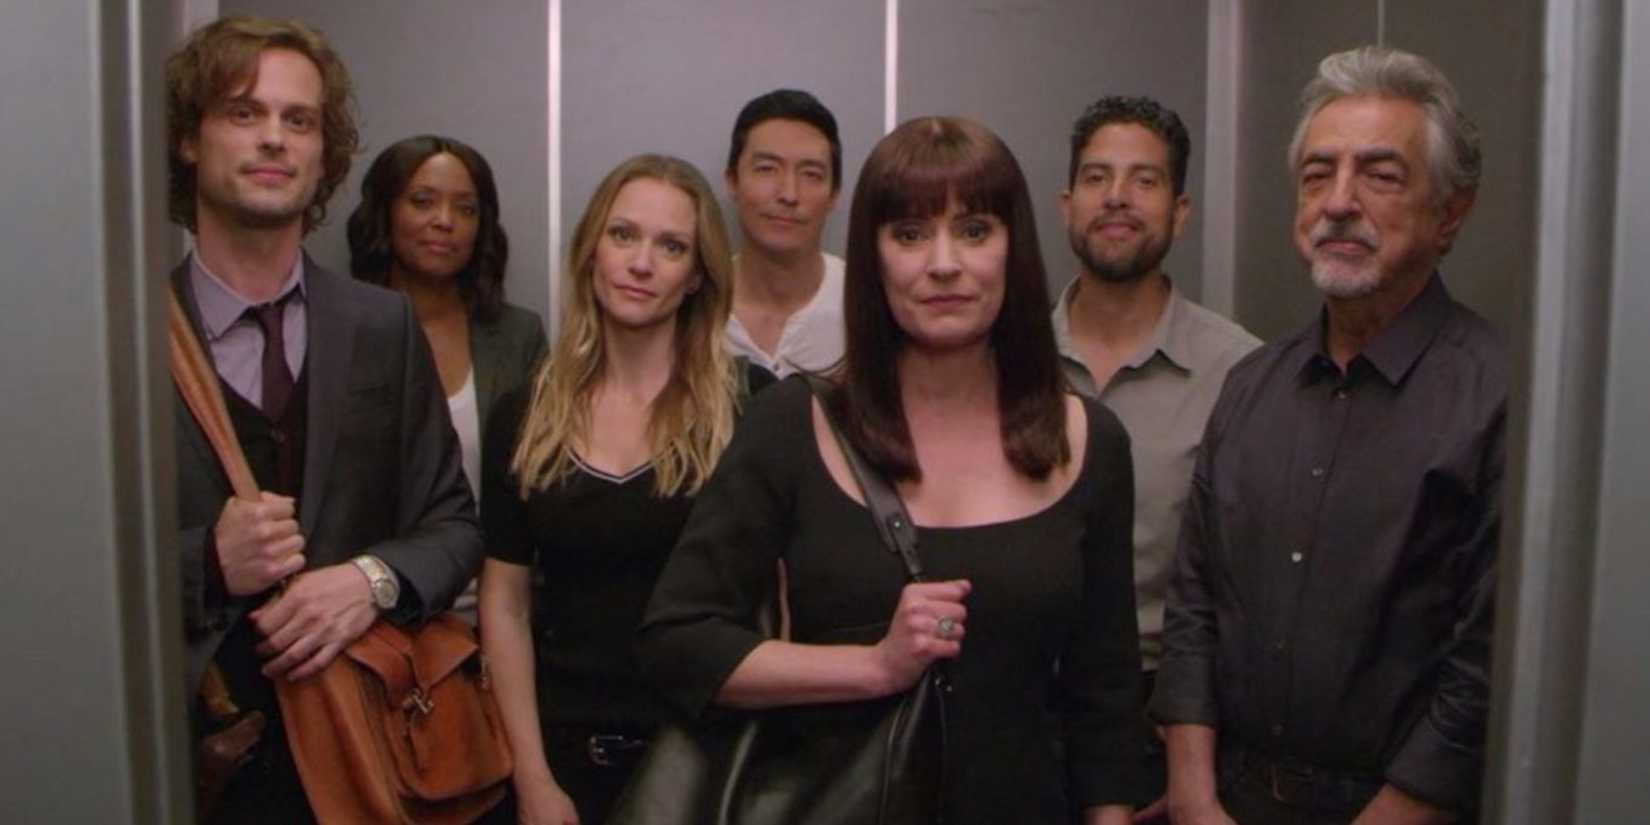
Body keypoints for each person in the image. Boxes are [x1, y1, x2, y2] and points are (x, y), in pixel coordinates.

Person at [639, 117, 1143, 825]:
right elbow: (678, 640)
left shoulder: (1090, 441)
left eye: (974, 230)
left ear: (1015, 249)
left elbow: (1106, 696)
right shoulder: (795, 423)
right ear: (872, 258)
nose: (944, 263)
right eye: (909, 234)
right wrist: (873, 665)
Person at [1153, 46, 1504, 825]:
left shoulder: (1497, 398)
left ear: (1450, 213)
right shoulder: (1251, 384)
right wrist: (1194, 796)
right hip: (1228, 799)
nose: (1339, 202)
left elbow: (1485, 663)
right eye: (1317, 175)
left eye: (1380, 175)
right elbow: (1195, 600)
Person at [167, 16, 481, 824]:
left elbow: (453, 525)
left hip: (364, 751)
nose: (274, 137)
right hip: (190, 763)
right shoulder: (124, 338)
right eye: (244, 112)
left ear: (323, 153)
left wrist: (369, 581)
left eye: (299, 119)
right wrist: (207, 562)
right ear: (190, 140)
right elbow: (56, 569)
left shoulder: (381, 325)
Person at [480, 154, 766, 825]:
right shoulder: (524, 413)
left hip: (706, 763)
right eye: (623, 235)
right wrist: (532, 779)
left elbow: (780, 603)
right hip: (563, 760)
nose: (641, 263)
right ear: (591, 251)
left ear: (698, 275)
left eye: (671, 246)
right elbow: (505, 602)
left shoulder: (752, 406)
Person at [1050, 95, 1260, 816]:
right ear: (1066, 205)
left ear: (1180, 211)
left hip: (1163, 713)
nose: (1117, 197)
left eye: (1144, 180)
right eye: (1097, 177)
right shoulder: (1002, 361)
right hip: (1017, 701)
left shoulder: (1241, 372)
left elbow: (1247, 582)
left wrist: (1194, 754)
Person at [346, 134, 548, 623]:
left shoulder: (517, 336)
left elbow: (543, 486)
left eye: (466, 209)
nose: (445, 221)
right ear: (385, 212)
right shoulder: (340, 330)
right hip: (375, 617)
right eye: (422, 201)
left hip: (499, 615)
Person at [722, 89, 847, 378]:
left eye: (811, 174)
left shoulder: (865, 304)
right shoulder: (693, 305)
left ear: (834, 194)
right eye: (767, 169)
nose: (789, 194)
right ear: (732, 182)